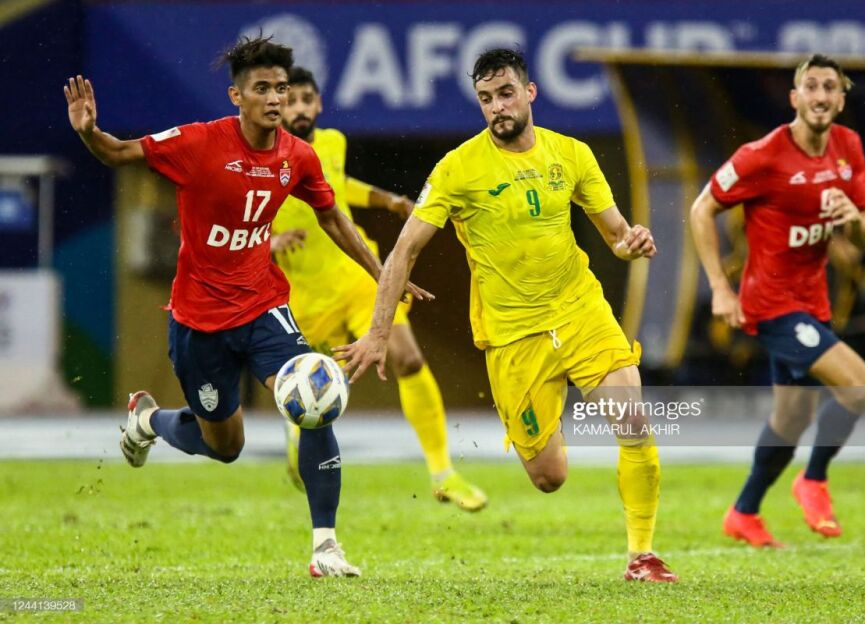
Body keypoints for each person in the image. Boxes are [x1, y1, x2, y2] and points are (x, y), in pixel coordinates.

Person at [64, 36, 428, 577]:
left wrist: (383, 275)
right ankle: (149, 419)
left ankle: (326, 546)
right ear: (237, 96)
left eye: (281, 88)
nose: (275, 98)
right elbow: (120, 153)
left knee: (313, 396)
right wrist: (89, 132)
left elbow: (332, 217)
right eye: (263, 88)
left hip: (263, 307)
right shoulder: (199, 142)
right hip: (199, 322)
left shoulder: (297, 155)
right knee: (225, 445)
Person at [336, 48, 678, 582]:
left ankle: (643, 556)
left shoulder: (572, 155)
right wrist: (378, 334)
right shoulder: (458, 168)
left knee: (632, 421)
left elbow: (615, 234)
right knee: (549, 476)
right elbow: (404, 251)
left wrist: (631, 243)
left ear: (530, 92)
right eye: (486, 98)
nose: (497, 106)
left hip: (580, 310)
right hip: (513, 336)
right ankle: (545, 415)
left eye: (505, 93)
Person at [271, 67, 487, 510]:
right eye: (290, 101)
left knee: (408, 358)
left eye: (306, 99)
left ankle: (443, 473)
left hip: (355, 277)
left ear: (319, 104)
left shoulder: (333, 142)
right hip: (302, 295)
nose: (299, 109)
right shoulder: (262, 157)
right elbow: (238, 211)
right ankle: (295, 432)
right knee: (310, 392)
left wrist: (386, 199)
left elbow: (337, 185)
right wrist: (268, 243)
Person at [690, 54, 865, 547]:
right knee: (859, 387)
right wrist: (720, 287)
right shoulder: (763, 155)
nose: (820, 95)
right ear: (795, 98)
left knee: (791, 420)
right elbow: (701, 209)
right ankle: (813, 480)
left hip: (813, 303)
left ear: (841, 99)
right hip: (771, 304)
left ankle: (743, 513)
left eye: (830, 87)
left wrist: (852, 220)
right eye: (811, 86)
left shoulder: (848, 147)